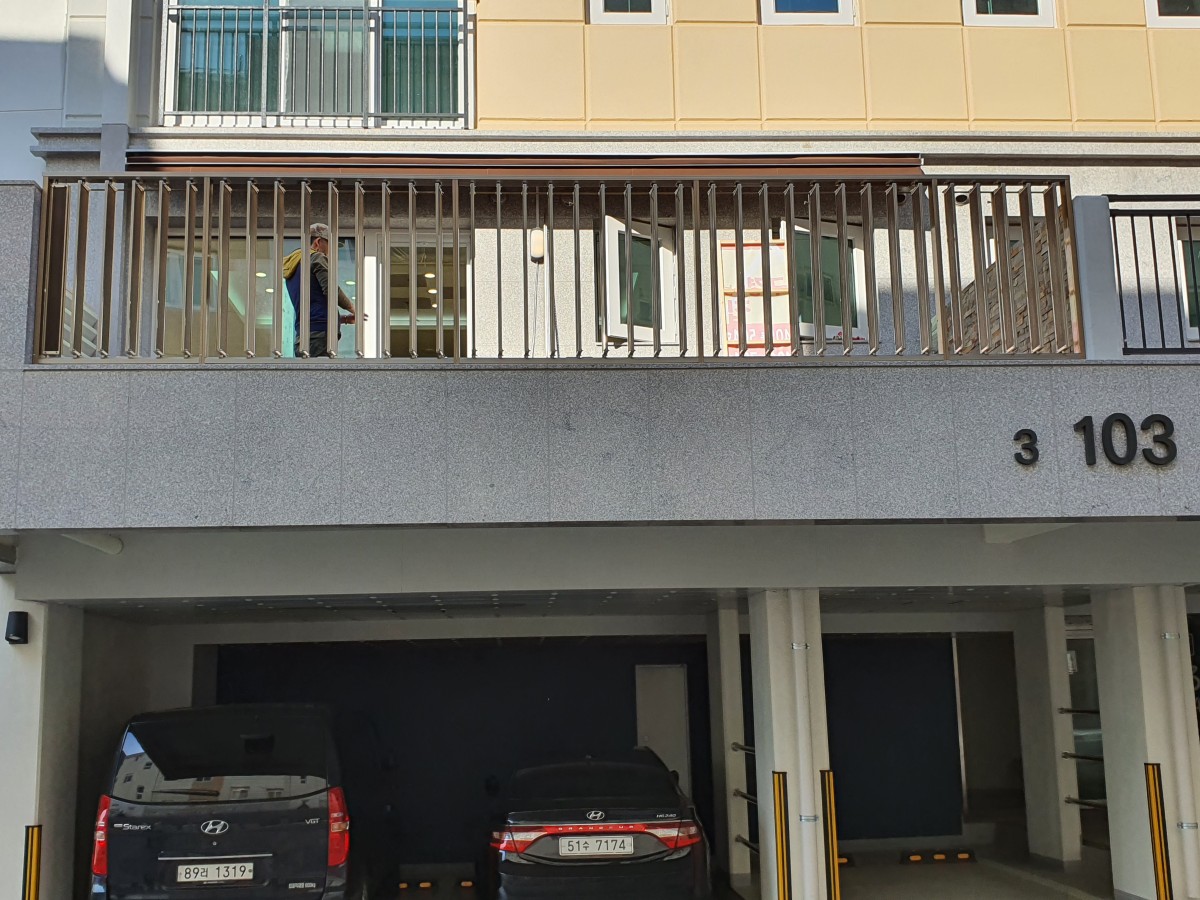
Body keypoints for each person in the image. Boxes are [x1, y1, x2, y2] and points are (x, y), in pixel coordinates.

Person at [282, 223, 365, 357]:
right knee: (321, 370)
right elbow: (331, 289)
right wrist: (354, 309)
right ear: (318, 242)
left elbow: (313, 304)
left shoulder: (294, 266)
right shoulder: (316, 257)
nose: (331, 251)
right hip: (319, 335)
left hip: (303, 336)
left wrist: (342, 319)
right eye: (330, 245)